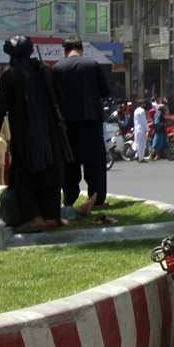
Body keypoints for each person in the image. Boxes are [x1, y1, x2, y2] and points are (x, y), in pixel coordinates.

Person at [0, 36, 69, 232]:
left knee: (23, 177)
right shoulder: (46, 71)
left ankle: (35, 217)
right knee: (51, 175)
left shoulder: (10, 76)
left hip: (25, 138)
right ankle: (52, 216)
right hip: (50, 135)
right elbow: (60, 98)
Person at [55, 38, 114, 215]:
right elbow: (105, 91)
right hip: (91, 122)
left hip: (67, 125)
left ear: (65, 50)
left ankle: (70, 199)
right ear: (81, 48)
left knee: (69, 164)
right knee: (95, 163)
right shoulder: (92, 65)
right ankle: (96, 198)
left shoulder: (57, 68)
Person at [132, 99, 150, 163]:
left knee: (137, 142)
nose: (144, 104)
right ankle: (141, 158)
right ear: (141, 104)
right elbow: (144, 121)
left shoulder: (135, 110)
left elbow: (135, 121)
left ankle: (137, 155)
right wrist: (147, 129)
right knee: (142, 144)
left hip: (136, 128)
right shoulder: (142, 111)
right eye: (143, 103)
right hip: (141, 129)